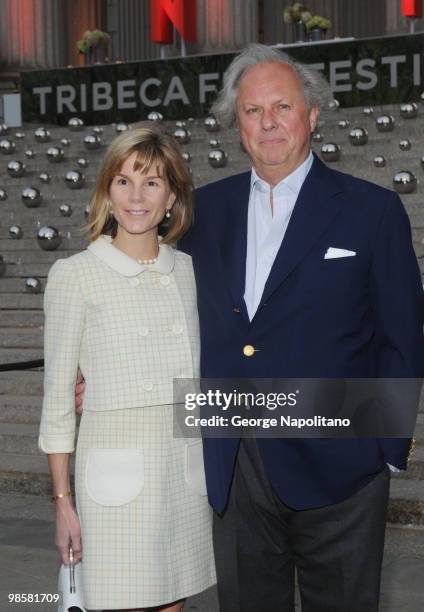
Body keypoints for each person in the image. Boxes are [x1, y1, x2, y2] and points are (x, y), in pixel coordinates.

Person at [76, 45, 424, 611]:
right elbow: (150, 296)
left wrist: (383, 451)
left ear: (312, 116)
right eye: (252, 111)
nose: (268, 123)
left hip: (342, 460)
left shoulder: (372, 211)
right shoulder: (201, 213)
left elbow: (402, 338)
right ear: (237, 127)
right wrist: (100, 372)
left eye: (282, 107)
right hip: (233, 462)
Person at [39, 127, 216, 612]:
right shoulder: (75, 275)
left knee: (174, 606)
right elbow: (57, 401)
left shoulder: (189, 272)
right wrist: (62, 502)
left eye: (153, 182)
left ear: (172, 197)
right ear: (106, 193)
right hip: (114, 488)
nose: (137, 197)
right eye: (123, 181)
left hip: (182, 477)